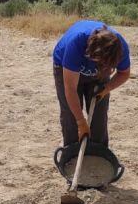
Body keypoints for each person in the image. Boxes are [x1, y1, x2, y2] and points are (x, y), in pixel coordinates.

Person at [52, 20, 132, 150]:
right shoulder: (77, 44)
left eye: (109, 66)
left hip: (97, 73)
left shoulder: (120, 49)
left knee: (98, 117)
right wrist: (81, 122)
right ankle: (71, 152)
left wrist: (107, 88)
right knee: (71, 117)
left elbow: (124, 73)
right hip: (65, 67)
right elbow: (70, 89)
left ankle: (98, 153)